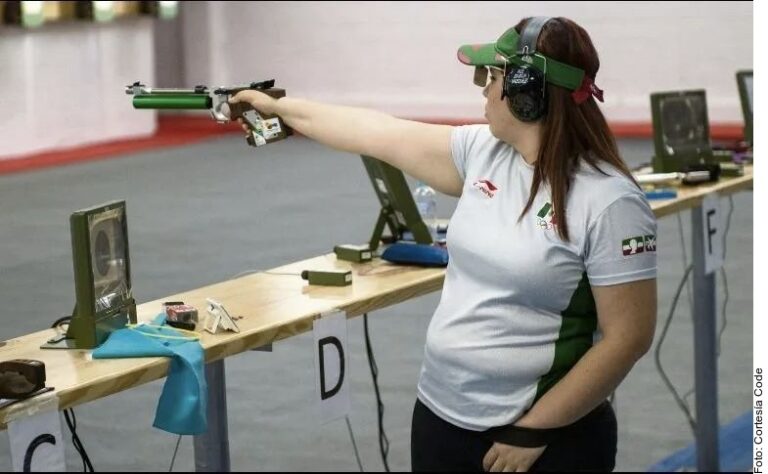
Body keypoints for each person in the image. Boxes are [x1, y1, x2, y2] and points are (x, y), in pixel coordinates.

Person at [231, 16, 657, 472]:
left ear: (526, 94)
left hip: (541, 437)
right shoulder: (482, 152)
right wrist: (279, 108)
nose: (483, 90)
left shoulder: (608, 200)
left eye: (491, 77)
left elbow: (627, 338)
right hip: (440, 415)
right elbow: (377, 131)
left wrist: (536, 430)